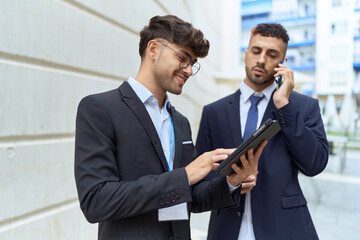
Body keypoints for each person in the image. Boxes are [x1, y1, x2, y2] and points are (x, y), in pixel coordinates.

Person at [74, 15, 267, 240]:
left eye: (193, 63)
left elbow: (190, 196)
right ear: (154, 49)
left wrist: (231, 182)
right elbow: (96, 201)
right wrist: (185, 175)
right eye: (183, 58)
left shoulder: (181, 122)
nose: (188, 69)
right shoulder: (99, 108)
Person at [196, 23, 329, 240]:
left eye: (272, 54)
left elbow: (314, 164)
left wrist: (284, 106)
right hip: (227, 229)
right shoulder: (214, 112)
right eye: (256, 51)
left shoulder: (303, 108)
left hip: (284, 229)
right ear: (246, 54)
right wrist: (230, 184)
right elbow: (201, 178)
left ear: (282, 63)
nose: (261, 59)